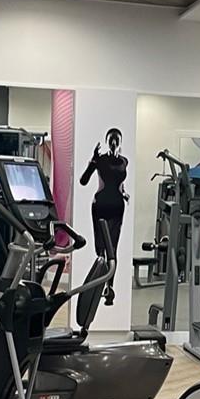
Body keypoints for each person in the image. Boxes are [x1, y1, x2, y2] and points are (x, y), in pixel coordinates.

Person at [79, 128, 129, 304]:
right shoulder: (100, 160)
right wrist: (93, 161)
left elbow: (120, 183)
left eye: (117, 139)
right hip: (100, 206)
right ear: (107, 141)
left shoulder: (124, 161)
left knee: (112, 248)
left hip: (117, 207)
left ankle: (110, 288)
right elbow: (83, 180)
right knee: (100, 248)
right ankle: (97, 285)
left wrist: (124, 193)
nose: (114, 143)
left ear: (120, 142)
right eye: (111, 139)